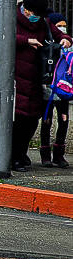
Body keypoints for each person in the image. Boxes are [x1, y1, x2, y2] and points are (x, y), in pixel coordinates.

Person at [0, 0, 72, 172]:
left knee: (31, 119)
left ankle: (20, 154)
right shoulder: (10, 17)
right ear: (25, 9)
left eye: (37, 15)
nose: (33, 17)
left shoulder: (42, 22)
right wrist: (26, 41)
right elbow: (0, 36)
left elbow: (58, 34)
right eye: (31, 13)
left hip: (34, 80)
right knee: (15, 121)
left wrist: (65, 40)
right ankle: (12, 158)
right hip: (11, 80)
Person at [41, 12, 71, 168]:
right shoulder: (47, 44)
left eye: (64, 25)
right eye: (59, 26)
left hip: (64, 89)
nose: (63, 29)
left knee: (64, 120)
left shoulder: (69, 44)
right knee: (46, 120)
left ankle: (59, 155)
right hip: (48, 87)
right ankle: (45, 154)